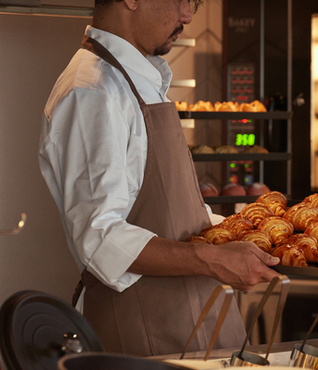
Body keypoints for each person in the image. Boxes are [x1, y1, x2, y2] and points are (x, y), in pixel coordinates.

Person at [38, 0, 280, 357]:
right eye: (181, 0)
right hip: (144, 333)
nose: (188, 16)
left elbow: (175, 216)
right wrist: (214, 260)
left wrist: (254, 236)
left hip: (202, 315)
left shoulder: (138, 82)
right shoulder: (92, 92)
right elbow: (101, 237)